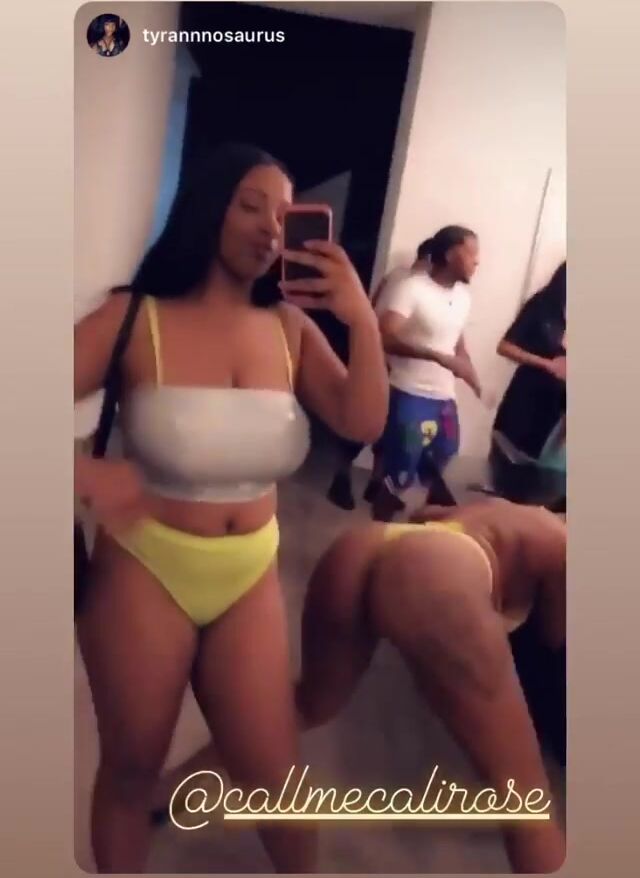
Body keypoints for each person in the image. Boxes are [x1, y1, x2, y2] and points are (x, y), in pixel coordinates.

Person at [74, 142, 388, 873]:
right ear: (208, 206)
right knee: (131, 770)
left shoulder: (290, 329)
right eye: (251, 206)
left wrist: (362, 321)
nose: (270, 229)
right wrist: (85, 473)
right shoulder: (135, 317)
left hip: (250, 572)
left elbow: (362, 419)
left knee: (278, 781)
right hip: (146, 566)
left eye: (284, 216)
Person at [296, 496, 566, 874]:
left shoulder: (513, 510)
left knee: (305, 707)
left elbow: (426, 515)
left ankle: (201, 774)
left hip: (369, 544)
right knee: (528, 808)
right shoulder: (565, 545)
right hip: (439, 573)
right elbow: (557, 639)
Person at [372, 226, 482, 522]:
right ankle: (379, 533)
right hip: (409, 393)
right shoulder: (411, 288)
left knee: (445, 459)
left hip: (444, 398)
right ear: (450, 254)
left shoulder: (463, 296)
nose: (477, 261)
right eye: (471, 253)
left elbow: (456, 341)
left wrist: (469, 371)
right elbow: (385, 336)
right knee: (400, 471)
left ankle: (423, 527)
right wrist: (437, 357)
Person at [493, 262, 566, 460]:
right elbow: (505, 347)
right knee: (504, 466)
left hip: (556, 417)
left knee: (542, 473)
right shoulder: (542, 305)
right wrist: (546, 364)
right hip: (525, 402)